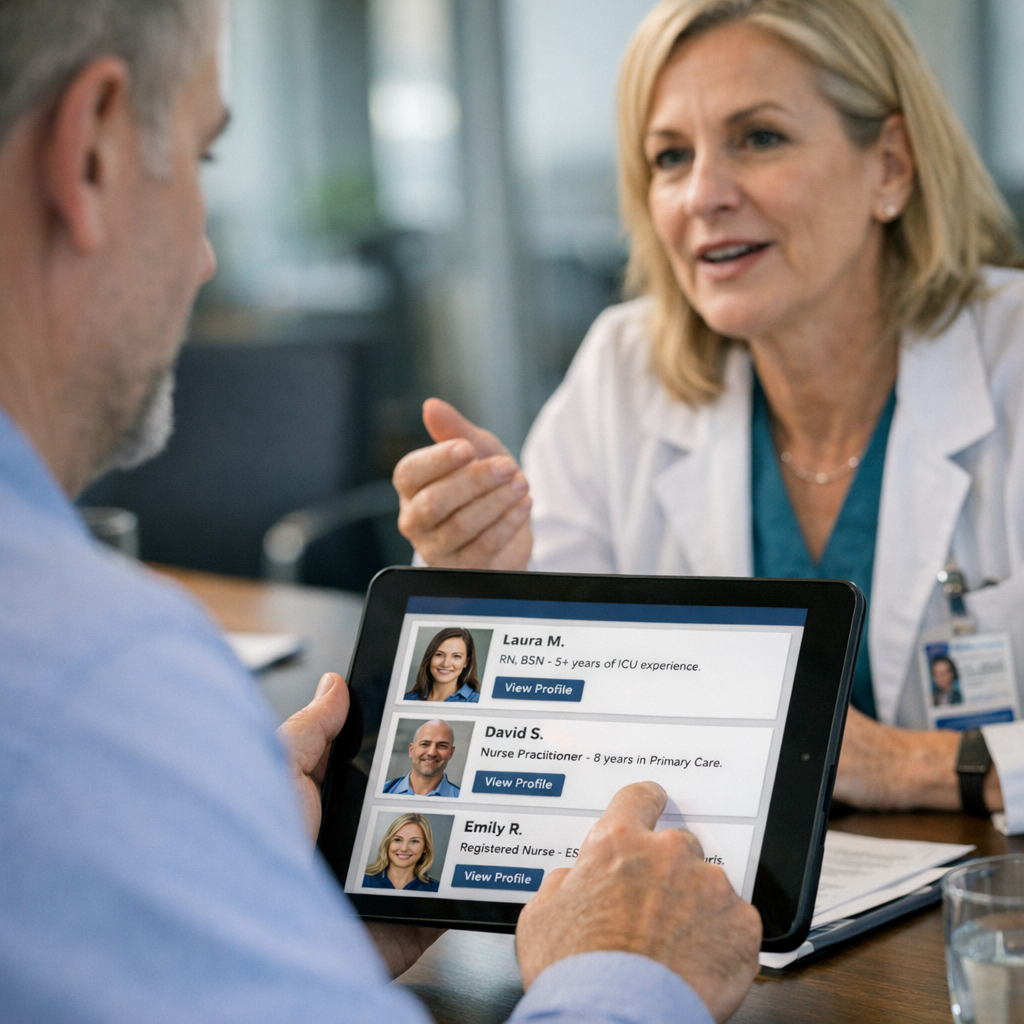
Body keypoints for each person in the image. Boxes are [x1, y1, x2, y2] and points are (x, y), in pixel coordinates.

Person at [0, 2, 763, 1022]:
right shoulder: (87, 681)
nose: (209, 258)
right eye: (203, 158)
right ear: (92, 152)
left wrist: (280, 922)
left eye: (758, 138)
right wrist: (626, 968)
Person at [394, 0, 1024, 833]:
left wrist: (910, 765)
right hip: (715, 912)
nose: (704, 195)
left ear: (892, 167)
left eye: (760, 138)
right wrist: (486, 591)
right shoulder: (623, 370)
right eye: (669, 157)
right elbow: (528, 740)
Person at [363, 813, 442, 891]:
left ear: (425, 847)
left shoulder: (436, 888)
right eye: (398, 839)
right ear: (388, 843)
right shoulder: (364, 880)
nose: (404, 848)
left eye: (414, 841)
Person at [383, 719, 462, 797]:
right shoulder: (382, 791)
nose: (432, 753)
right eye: (425, 744)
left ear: (451, 753)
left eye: (442, 745)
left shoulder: (462, 798)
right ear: (411, 750)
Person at [405, 626, 482, 702]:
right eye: (439, 654)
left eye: (456, 656)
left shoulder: (477, 701)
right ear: (430, 657)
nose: (445, 664)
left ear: (466, 662)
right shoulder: (408, 698)